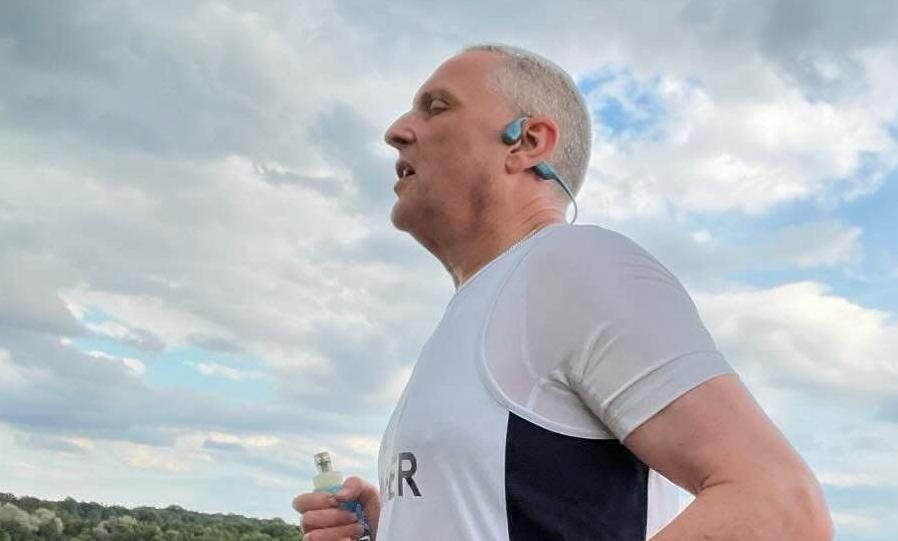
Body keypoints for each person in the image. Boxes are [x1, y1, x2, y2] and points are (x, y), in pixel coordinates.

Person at [293, 43, 833, 541]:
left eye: (436, 107)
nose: (397, 130)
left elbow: (781, 507)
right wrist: (396, 524)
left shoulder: (572, 266)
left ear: (528, 142)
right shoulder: (486, 303)